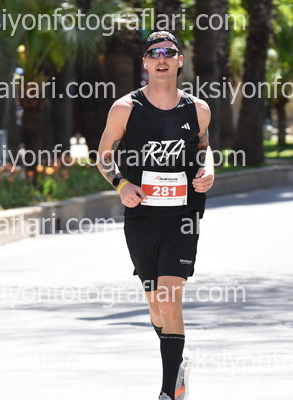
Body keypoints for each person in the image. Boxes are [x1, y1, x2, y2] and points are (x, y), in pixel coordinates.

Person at [97, 31, 214, 400]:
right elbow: (104, 155)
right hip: (142, 218)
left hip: (183, 217)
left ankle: (169, 392)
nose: (162, 58)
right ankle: (177, 359)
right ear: (145, 62)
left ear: (180, 61)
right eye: (154, 52)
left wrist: (209, 169)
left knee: (169, 298)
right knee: (156, 307)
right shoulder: (125, 109)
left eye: (169, 52)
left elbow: (204, 146)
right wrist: (121, 184)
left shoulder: (198, 109)